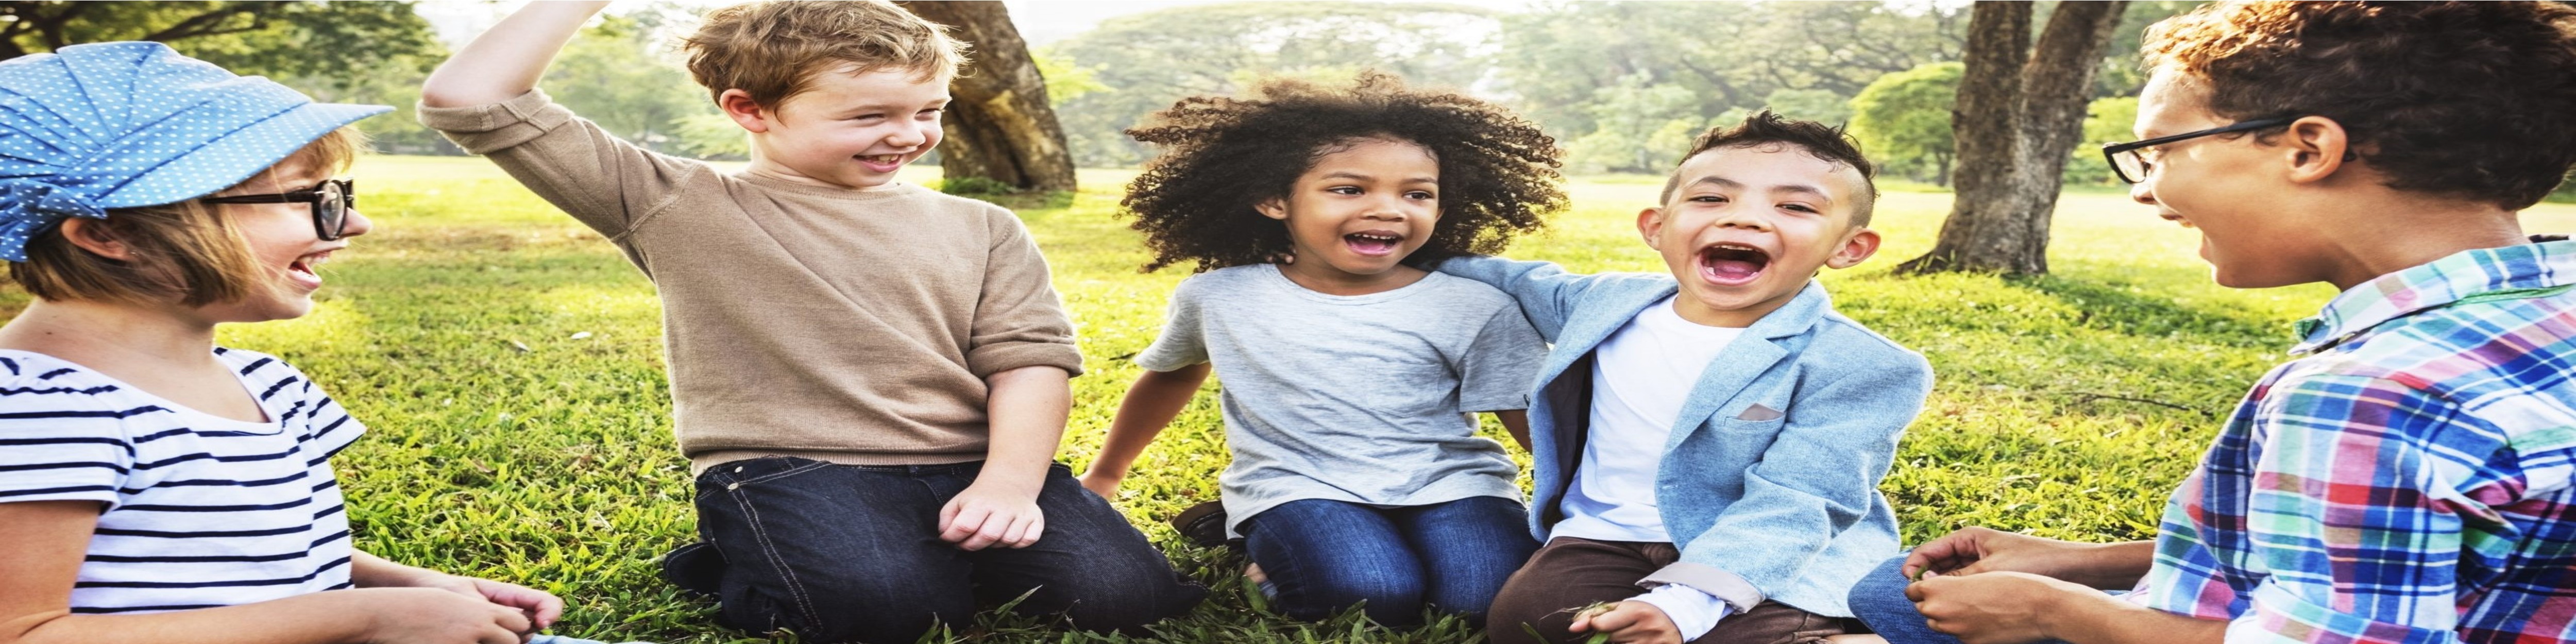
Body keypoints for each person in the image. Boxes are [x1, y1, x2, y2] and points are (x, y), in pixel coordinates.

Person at [416, 2, 1204, 642]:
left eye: (928, 110)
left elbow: (1028, 363)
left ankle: (927, 551)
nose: (909, 134)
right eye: (870, 115)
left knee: (1126, 598)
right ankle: (739, 559)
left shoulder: (984, 227)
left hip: (973, 460)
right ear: (748, 109)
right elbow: (471, 100)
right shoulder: (677, 201)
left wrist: (1009, 482)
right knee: (886, 613)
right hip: (796, 467)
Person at [1841, 3, 2576, 643]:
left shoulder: (2371, 393)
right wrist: (2089, 561)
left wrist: (2055, 611)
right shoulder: (2546, 313)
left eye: (2158, 150)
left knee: (1892, 596)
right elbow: (2406, 544)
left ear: (2307, 149)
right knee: (1888, 589)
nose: (2146, 191)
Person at [0, 41, 619, 644]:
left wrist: (412, 585)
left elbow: (253, 548)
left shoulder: (263, 382)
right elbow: (23, 630)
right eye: (311, 198)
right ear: (116, 233)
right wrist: (365, 619)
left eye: (340, 195)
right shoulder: (40, 411)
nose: (354, 223)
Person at [1076, 72, 1560, 627]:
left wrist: (1583, 510)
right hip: (1298, 483)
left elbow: (1530, 416)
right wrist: (1105, 476)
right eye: (1349, 189)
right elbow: (1171, 375)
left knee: (1482, 600)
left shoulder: (1474, 305)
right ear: (1273, 198)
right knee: (1370, 593)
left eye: (1416, 193)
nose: (1387, 209)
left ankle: (1295, 547)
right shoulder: (1219, 296)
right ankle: (1268, 547)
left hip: (1452, 483)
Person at [1448, 111, 1935, 644]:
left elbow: (1802, 498)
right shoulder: (1605, 303)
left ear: (1848, 247)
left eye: (1794, 206)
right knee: (1526, 621)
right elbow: (1508, 279)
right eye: (1711, 199)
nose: (1743, 220)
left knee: (1722, 631)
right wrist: (1402, 247)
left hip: (1767, 545)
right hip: (1607, 537)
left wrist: (1687, 603)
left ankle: (1829, 635)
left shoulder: (1863, 363)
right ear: (1656, 227)